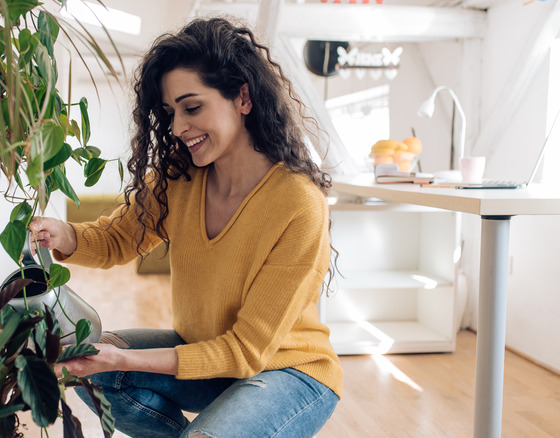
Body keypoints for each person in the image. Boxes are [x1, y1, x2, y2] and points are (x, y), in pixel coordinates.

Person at [29, 17, 343, 438]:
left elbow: (245, 351)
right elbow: (118, 240)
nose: (177, 127)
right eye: (170, 112)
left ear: (243, 98)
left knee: (112, 361)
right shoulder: (180, 180)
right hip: (207, 357)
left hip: (289, 370)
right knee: (88, 363)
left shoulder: (298, 203)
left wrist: (123, 359)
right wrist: (64, 235)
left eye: (192, 107)